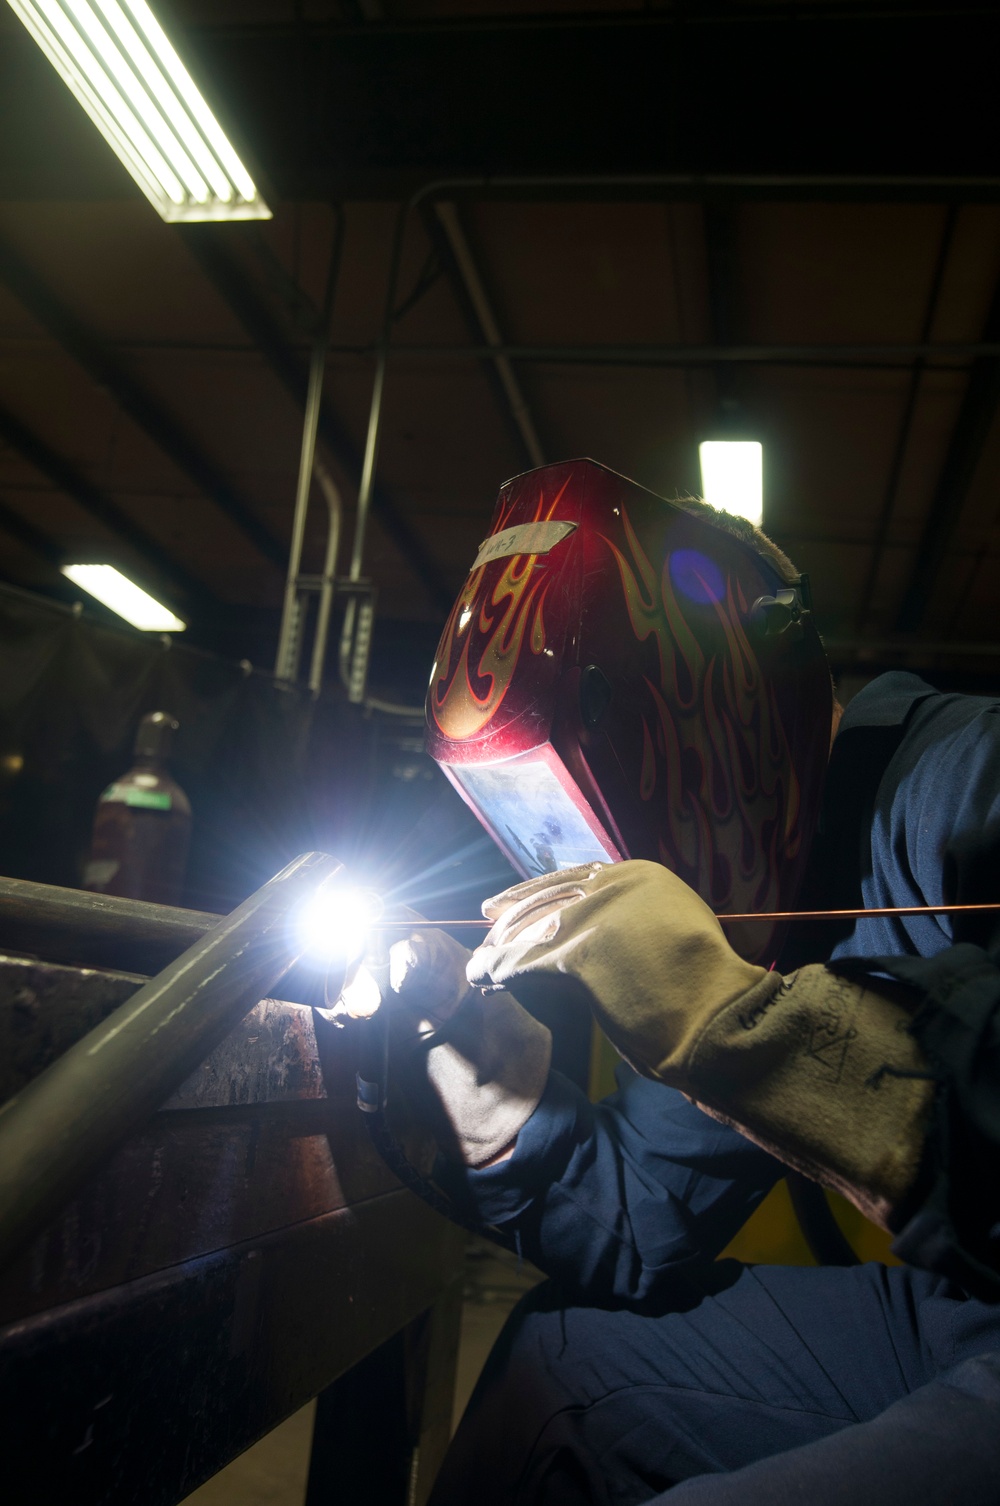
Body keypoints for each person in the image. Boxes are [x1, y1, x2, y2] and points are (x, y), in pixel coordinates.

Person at [343, 461, 1000, 1504]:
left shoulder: (970, 785)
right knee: (558, 1371)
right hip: (972, 1313)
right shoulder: (778, 892)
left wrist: (736, 1026)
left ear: (715, 721)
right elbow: (645, 1214)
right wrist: (491, 1083)